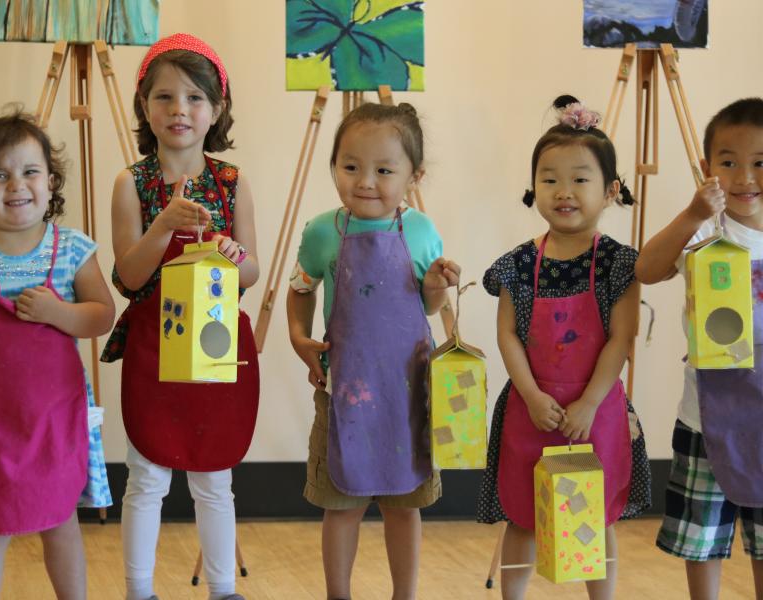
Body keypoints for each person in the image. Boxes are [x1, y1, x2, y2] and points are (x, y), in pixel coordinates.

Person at [100, 33, 260, 600]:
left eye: (194, 97)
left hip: (215, 347)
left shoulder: (232, 182)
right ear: (145, 106)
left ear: (216, 108)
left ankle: (223, 589)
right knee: (145, 478)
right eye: (164, 97)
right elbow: (130, 276)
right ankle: (138, 590)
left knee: (215, 476)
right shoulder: (131, 184)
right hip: (155, 348)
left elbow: (250, 272)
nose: (179, 110)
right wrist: (163, 223)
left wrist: (233, 258)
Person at [476, 95, 651, 600]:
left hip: (596, 412)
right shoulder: (517, 264)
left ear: (611, 190)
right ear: (534, 188)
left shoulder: (620, 264)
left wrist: (590, 402)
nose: (563, 191)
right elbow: (507, 332)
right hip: (532, 409)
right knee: (525, 516)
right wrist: (531, 395)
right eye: (549, 179)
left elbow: (622, 336)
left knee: (593, 513)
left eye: (579, 179)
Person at [287, 101, 460, 600]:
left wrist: (436, 286)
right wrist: (300, 340)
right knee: (341, 505)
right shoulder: (322, 232)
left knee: (404, 506)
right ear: (335, 166)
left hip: (409, 397)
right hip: (344, 391)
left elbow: (426, 308)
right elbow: (300, 291)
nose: (365, 181)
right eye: (350, 167)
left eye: (384, 170)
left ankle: (403, 594)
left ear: (413, 175)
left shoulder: (423, 232)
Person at [636, 97, 763, 600]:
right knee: (701, 540)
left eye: (759, 163)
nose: (744, 177)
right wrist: (691, 214)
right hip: (705, 415)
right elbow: (647, 269)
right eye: (728, 162)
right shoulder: (706, 228)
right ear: (707, 168)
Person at [0, 109, 115, 600]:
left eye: (29, 171)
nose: (15, 185)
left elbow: (102, 316)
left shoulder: (70, 248)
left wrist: (57, 313)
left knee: (59, 518)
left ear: (51, 181)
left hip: (52, 420)